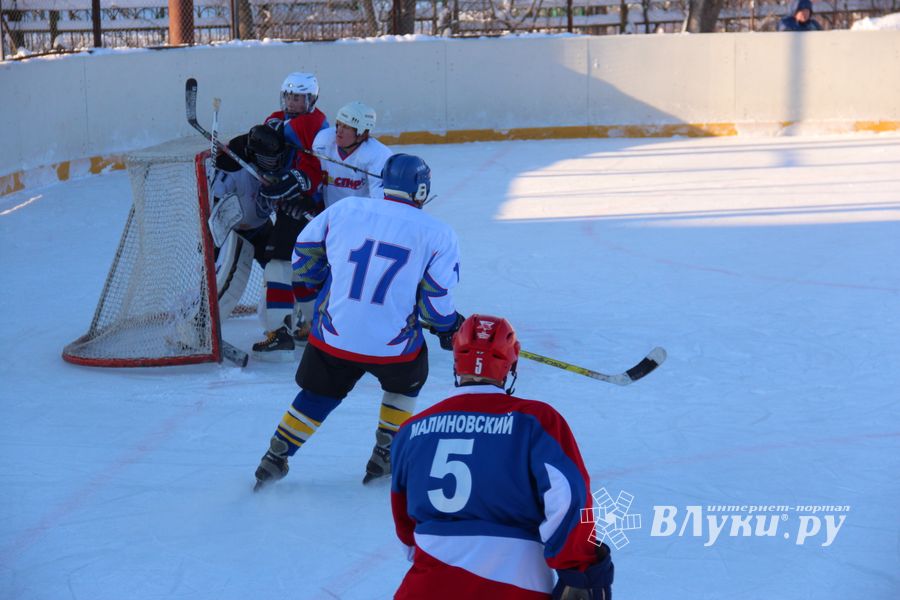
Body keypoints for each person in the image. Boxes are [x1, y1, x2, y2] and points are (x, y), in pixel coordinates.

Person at [253, 153, 465, 490]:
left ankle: (277, 453)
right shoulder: (439, 233)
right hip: (392, 347)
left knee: (320, 391)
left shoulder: (345, 209)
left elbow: (303, 258)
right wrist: (449, 326)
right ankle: (386, 451)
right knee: (405, 382)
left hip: (334, 334)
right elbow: (434, 303)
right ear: (421, 190)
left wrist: (325, 282)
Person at [390, 314, 615, 599]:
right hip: (513, 584)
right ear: (512, 361)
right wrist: (580, 569)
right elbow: (567, 496)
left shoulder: (412, 430)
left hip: (425, 585)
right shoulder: (535, 420)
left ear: (457, 361)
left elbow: (405, 524)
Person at [214, 72, 328, 359]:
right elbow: (265, 144)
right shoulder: (279, 118)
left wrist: (296, 185)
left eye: (299, 98)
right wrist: (237, 150)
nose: (292, 102)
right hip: (288, 207)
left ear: (310, 100)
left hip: (306, 208)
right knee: (296, 270)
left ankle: (279, 332)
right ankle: (312, 326)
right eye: (289, 96)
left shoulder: (315, 124)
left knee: (278, 264)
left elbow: (313, 169)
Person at [312, 101, 393, 208]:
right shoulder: (323, 143)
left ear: (362, 134)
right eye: (339, 124)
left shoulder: (378, 155)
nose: (339, 131)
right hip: (330, 214)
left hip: (362, 217)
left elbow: (379, 201)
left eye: (346, 127)